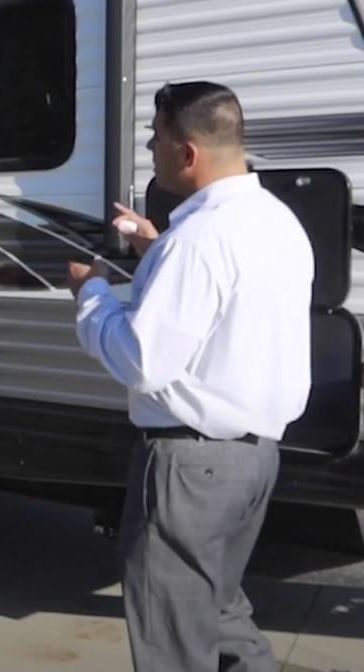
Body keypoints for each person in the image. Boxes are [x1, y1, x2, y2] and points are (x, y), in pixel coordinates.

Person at [67, 81, 313, 672]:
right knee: (219, 611)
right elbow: (224, 313)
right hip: (253, 460)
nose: (150, 149)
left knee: (172, 634)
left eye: (156, 138)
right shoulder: (277, 222)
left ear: (188, 152)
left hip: (190, 467)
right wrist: (157, 251)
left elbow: (142, 361)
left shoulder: (198, 242)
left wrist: (91, 293)